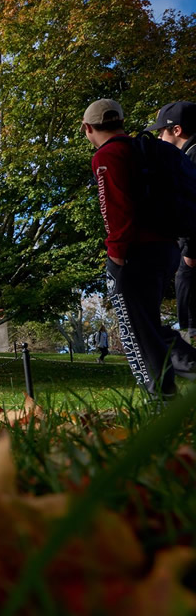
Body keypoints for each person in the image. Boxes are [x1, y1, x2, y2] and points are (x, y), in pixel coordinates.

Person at [82, 98, 196, 397]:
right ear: (120, 122)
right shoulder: (149, 149)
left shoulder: (108, 155)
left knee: (136, 332)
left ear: (87, 128)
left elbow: (115, 209)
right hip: (168, 248)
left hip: (135, 253)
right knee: (148, 324)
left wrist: (116, 253)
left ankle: (161, 397)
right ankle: (188, 366)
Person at [147, 101, 196, 341]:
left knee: (186, 285)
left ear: (176, 130)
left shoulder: (190, 157)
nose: (158, 137)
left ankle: (190, 336)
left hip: (191, 247)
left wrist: (189, 248)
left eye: (161, 131)